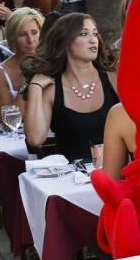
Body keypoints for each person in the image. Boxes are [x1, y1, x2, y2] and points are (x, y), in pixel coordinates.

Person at [21, 12, 119, 160]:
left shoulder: (113, 77)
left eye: (95, 33)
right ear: (64, 42)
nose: (93, 40)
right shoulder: (52, 88)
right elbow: (35, 139)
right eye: (84, 34)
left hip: (119, 172)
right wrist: (35, 87)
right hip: (73, 177)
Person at [0, 6, 44, 110]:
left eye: (34, 32)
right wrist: (27, 82)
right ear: (12, 37)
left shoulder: (52, 62)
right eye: (23, 34)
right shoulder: (0, 74)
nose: (30, 40)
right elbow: (7, 122)